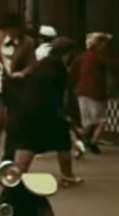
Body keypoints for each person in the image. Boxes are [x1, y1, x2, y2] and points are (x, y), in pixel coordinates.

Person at [12, 37, 83, 187]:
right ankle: (67, 176)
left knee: (29, 144)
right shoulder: (58, 68)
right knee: (63, 144)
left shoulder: (42, 65)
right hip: (49, 112)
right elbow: (61, 94)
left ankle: (16, 176)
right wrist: (67, 114)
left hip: (30, 110)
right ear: (67, 53)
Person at [0, 13, 38, 163]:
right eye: (8, 29)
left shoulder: (28, 43)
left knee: (14, 122)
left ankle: (8, 157)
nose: (11, 32)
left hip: (18, 86)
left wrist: (22, 73)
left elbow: (32, 64)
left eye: (14, 29)